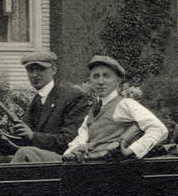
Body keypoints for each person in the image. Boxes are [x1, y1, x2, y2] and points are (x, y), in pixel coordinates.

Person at [13, 55, 167, 162]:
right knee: (26, 156)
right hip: (83, 164)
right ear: (91, 81)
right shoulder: (93, 111)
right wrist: (71, 154)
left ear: (117, 81)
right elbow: (78, 140)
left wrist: (131, 151)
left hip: (102, 167)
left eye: (106, 76)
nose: (100, 81)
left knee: (26, 153)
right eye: (96, 76)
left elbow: (159, 130)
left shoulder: (126, 104)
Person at [4, 51, 90, 158]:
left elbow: (70, 140)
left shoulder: (73, 97)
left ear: (53, 70)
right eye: (30, 70)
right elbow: (21, 141)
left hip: (59, 163)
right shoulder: (37, 100)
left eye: (40, 69)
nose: (34, 75)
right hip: (36, 160)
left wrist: (33, 136)